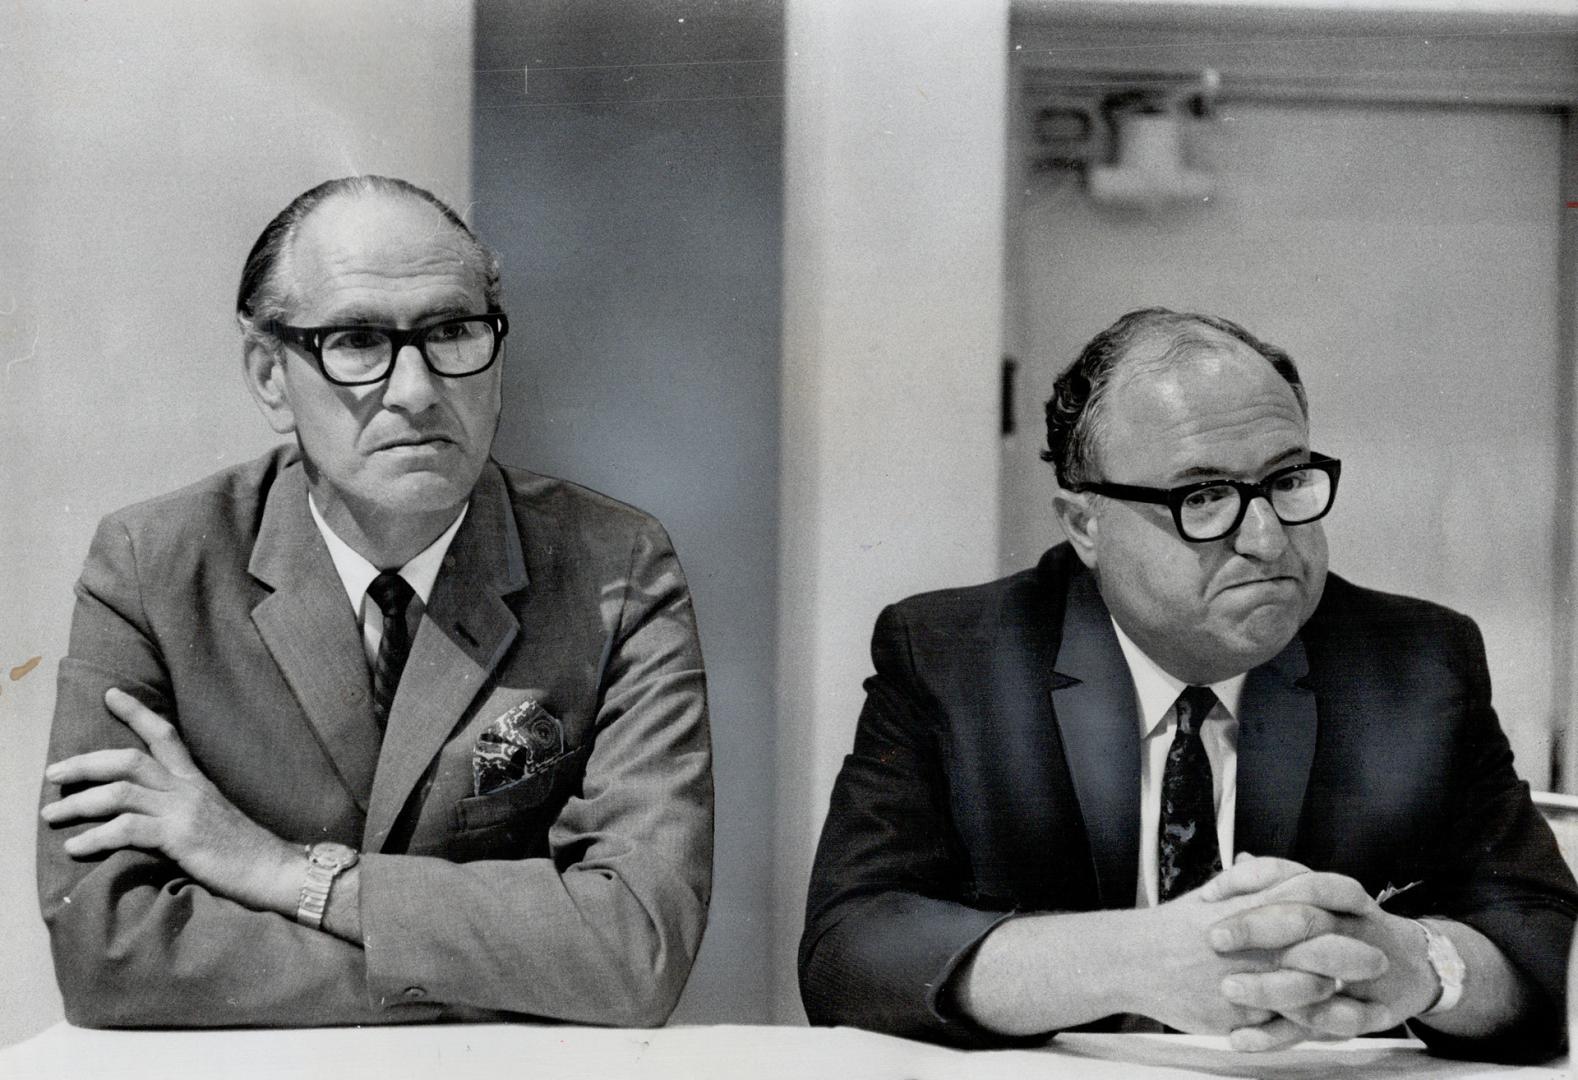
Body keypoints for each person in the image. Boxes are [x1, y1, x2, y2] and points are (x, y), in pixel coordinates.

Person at [799, 307, 1577, 1062]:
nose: (1267, 538)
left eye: (1289, 482)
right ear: (1085, 524)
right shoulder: (955, 655)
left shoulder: (1415, 663)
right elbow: (850, 949)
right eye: (1203, 498)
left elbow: (1543, 942)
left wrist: (1419, 965)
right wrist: (1134, 958)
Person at [36, 176, 712, 1029]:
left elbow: (634, 949)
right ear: (269, 376)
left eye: (454, 332)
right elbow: (114, 954)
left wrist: (287, 874)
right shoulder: (153, 565)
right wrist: (499, 972)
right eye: (356, 341)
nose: (418, 390)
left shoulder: (617, 568)